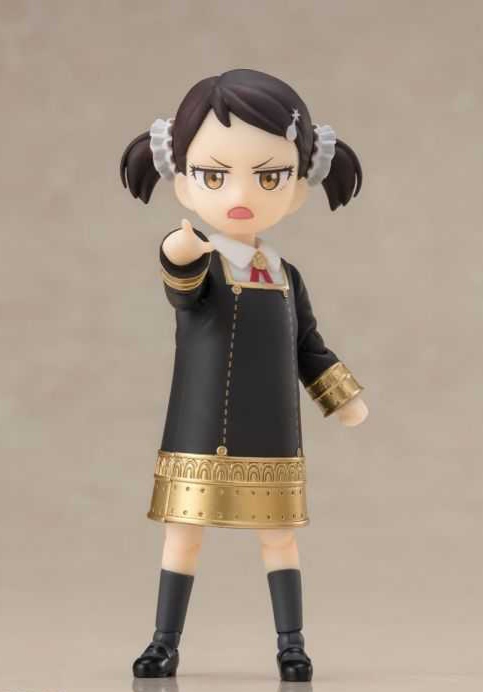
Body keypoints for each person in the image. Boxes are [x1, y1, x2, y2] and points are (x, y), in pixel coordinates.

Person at [120, 68, 368, 682]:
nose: (241, 192)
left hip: (272, 432)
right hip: (199, 427)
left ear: (299, 187)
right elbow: (182, 289)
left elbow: (307, 345)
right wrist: (177, 256)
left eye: (269, 176)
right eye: (214, 174)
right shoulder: (201, 259)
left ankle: (291, 644)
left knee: (280, 537)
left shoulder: (286, 276)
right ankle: (164, 642)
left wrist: (339, 395)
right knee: (184, 535)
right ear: (182, 181)